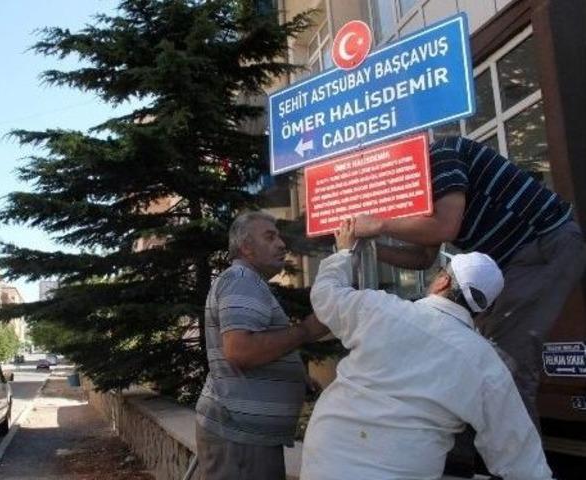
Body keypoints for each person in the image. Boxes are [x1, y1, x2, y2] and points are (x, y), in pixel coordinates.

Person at [354, 136, 586, 429]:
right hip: (516, 263)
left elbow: (445, 226)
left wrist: (380, 224)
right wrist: (366, 248)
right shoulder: (422, 190)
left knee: (504, 361)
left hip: (543, 245)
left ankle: (519, 456)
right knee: (479, 352)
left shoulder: (440, 155)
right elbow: (423, 258)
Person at [300, 218, 553, 480]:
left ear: (442, 281)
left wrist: (344, 253)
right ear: (482, 308)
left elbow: (326, 295)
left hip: (327, 462)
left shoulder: (382, 310)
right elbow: (521, 458)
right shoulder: (485, 364)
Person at [195, 211, 329, 480]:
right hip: (241, 438)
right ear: (247, 247)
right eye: (270, 237)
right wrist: (306, 330)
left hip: (244, 437)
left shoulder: (246, 281)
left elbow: (249, 345)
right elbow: (240, 351)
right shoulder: (241, 279)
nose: (281, 244)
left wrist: (296, 376)